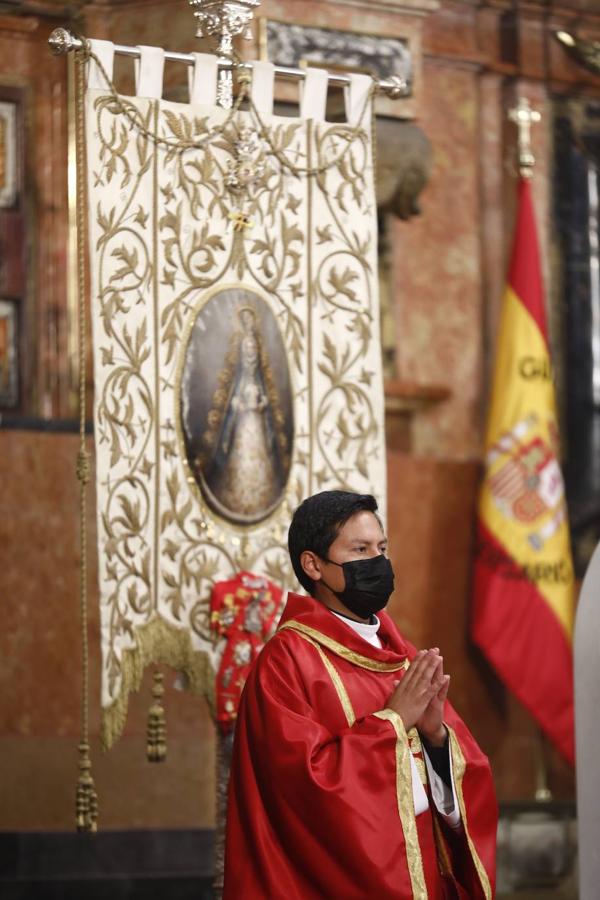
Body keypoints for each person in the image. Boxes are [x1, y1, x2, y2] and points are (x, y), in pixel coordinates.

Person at [223, 490, 497, 899]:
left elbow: (468, 781)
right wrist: (393, 722)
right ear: (313, 565)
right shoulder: (287, 662)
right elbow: (303, 792)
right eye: (360, 549)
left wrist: (436, 739)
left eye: (382, 548)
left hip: (421, 874)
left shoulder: (400, 655)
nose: (378, 562)